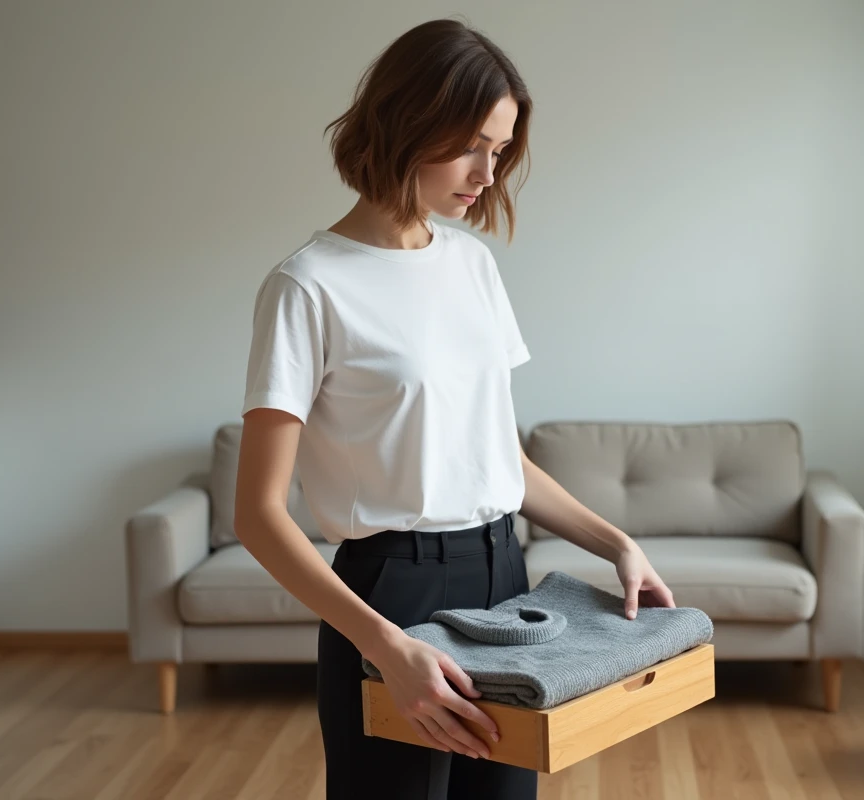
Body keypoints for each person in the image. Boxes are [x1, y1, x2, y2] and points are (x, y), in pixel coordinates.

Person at [233, 17, 677, 800]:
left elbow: (500, 460)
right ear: (409, 121)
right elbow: (259, 514)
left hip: (506, 577)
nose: (487, 170)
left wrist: (616, 543)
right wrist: (386, 643)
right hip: (388, 593)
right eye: (472, 143)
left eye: (500, 150)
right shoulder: (308, 286)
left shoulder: (472, 265)